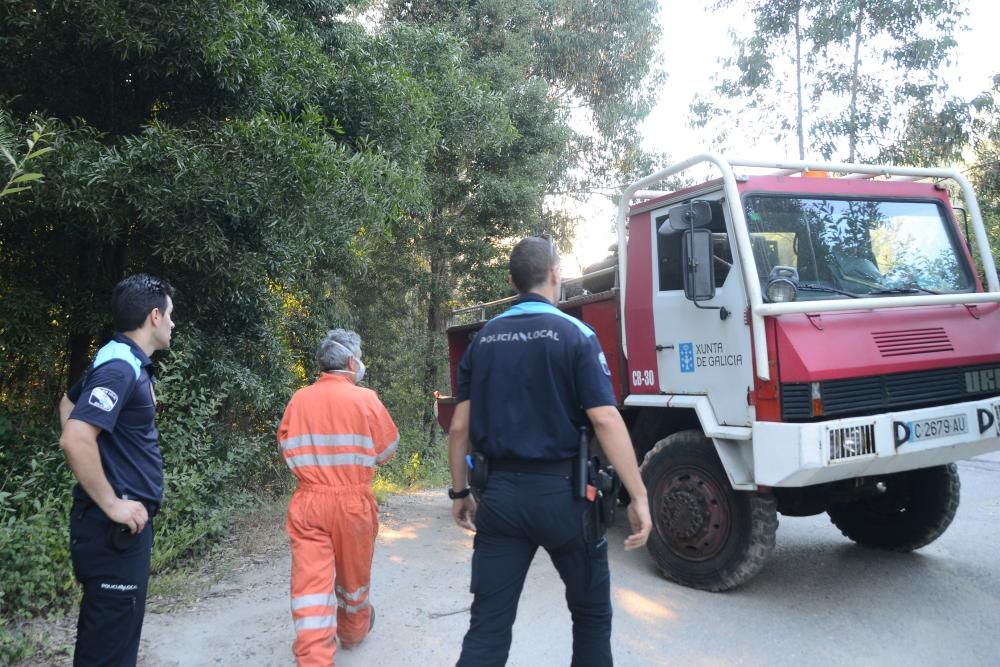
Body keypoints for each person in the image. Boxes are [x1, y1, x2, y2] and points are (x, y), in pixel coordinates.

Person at [448, 236, 652, 667]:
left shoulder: (482, 341)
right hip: (566, 497)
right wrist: (640, 495)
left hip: (500, 497)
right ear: (556, 275)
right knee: (591, 616)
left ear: (513, 281)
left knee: (488, 626)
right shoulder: (576, 335)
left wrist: (459, 493)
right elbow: (605, 419)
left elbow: (460, 426)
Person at [58, 273, 175, 667]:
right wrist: (111, 503)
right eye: (171, 316)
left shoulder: (117, 357)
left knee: (114, 642)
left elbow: (67, 404)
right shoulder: (120, 367)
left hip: (121, 533)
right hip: (113, 533)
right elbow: (75, 436)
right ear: (155, 316)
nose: (174, 325)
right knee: (107, 654)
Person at [277, 329, 399, 667]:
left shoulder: (299, 399)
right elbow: (387, 449)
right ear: (350, 362)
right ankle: (353, 631)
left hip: (308, 502)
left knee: (310, 584)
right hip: (353, 504)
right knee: (353, 580)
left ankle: (314, 658)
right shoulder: (366, 399)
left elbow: (285, 444)